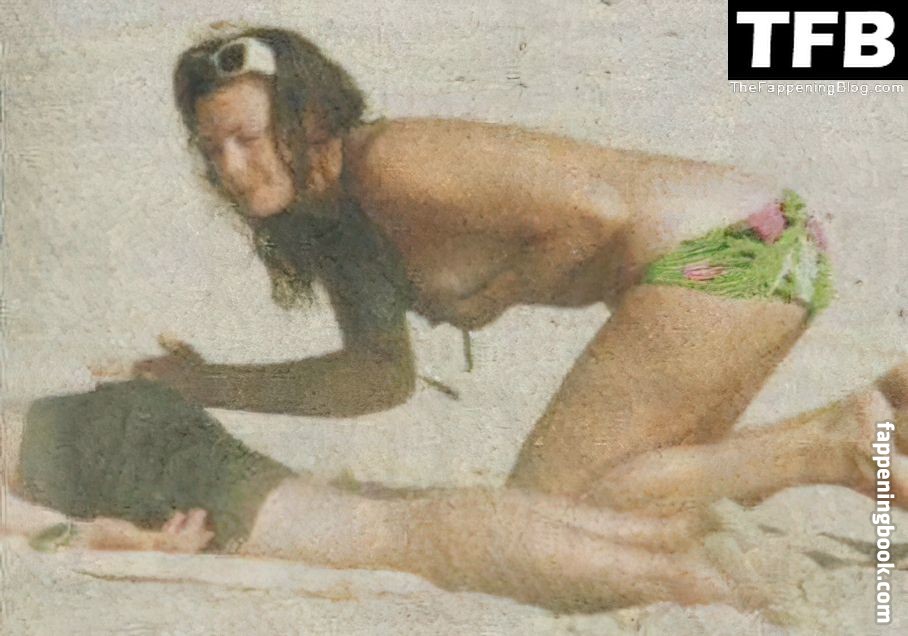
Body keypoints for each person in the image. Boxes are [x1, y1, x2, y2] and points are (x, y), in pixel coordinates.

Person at [7, 27, 905, 615]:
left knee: (545, 516)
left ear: (309, 120)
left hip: (722, 253)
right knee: (614, 502)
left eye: (249, 137)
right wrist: (208, 383)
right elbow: (377, 380)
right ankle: (858, 423)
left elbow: (593, 214)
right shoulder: (336, 227)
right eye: (213, 150)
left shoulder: (390, 163)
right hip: (757, 248)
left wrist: (494, 291)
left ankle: (831, 444)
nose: (234, 168)